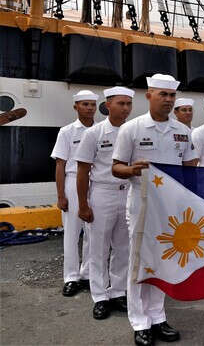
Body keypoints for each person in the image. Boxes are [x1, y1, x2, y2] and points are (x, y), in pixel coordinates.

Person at [112, 74, 197, 346]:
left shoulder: (182, 131)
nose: (169, 100)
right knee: (139, 263)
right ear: (149, 95)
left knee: (162, 262)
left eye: (172, 96)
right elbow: (116, 167)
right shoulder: (132, 129)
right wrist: (132, 169)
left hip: (170, 208)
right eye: (163, 95)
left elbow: (190, 165)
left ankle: (158, 316)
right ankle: (139, 322)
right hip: (141, 204)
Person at [74, 87, 133, 320]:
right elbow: (82, 171)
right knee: (98, 248)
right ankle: (99, 296)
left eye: (129, 103)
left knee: (123, 247)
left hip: (127, 193)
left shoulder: (132, 132)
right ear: (108, 105)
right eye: (121, 103)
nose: (126, 108)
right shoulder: (94, 133)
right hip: (102, 193)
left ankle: (118, 292)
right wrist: (83, 204)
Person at [51, 89, 97, 297]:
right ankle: (71, 277)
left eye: (92, 104)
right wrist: (61, 195)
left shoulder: (101, 131)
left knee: (93, 232)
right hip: (72, 181)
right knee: (71, 232)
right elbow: (60, 165)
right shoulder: (67, 131)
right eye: (85, 104)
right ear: (76, 106)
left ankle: (87, 273)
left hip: (96, 183)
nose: (89, 108)